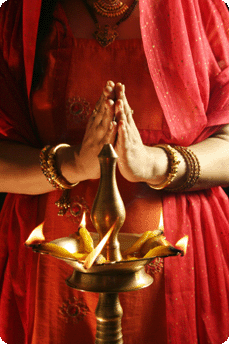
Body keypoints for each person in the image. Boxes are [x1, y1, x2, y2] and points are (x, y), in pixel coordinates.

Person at [0, 0, 229, 343]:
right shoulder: (20, 17)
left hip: (180, 261)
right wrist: (72, 165)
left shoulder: (205, 11)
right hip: (51, 262)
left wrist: (153, 164)